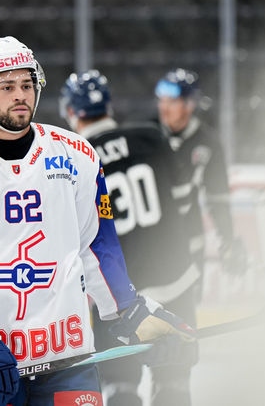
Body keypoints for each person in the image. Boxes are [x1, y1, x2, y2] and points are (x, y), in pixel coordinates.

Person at [0, 37, 195, 406]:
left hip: (67, 361)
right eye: (6, 87)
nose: (21, 95)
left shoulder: (78, 156)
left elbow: (95, 247)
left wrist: (130, 312)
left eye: (27, 84)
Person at [61, 70, 200, 406]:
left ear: (71, 112)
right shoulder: (151, 136)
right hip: (176, 284)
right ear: (109, 107)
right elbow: (186, 205)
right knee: (174, 387)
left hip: (119, 299)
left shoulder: (72, 159)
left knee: (121, 389)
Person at [155, 68, 247, 298]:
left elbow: (218, 197)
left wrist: (227, 240)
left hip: (189, 241)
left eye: (172, 101)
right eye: (161, 100)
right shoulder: (148, 136)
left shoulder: (208, 142)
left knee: (187, 313)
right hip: (151, 242)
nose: (164, 107)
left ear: (189, 104)